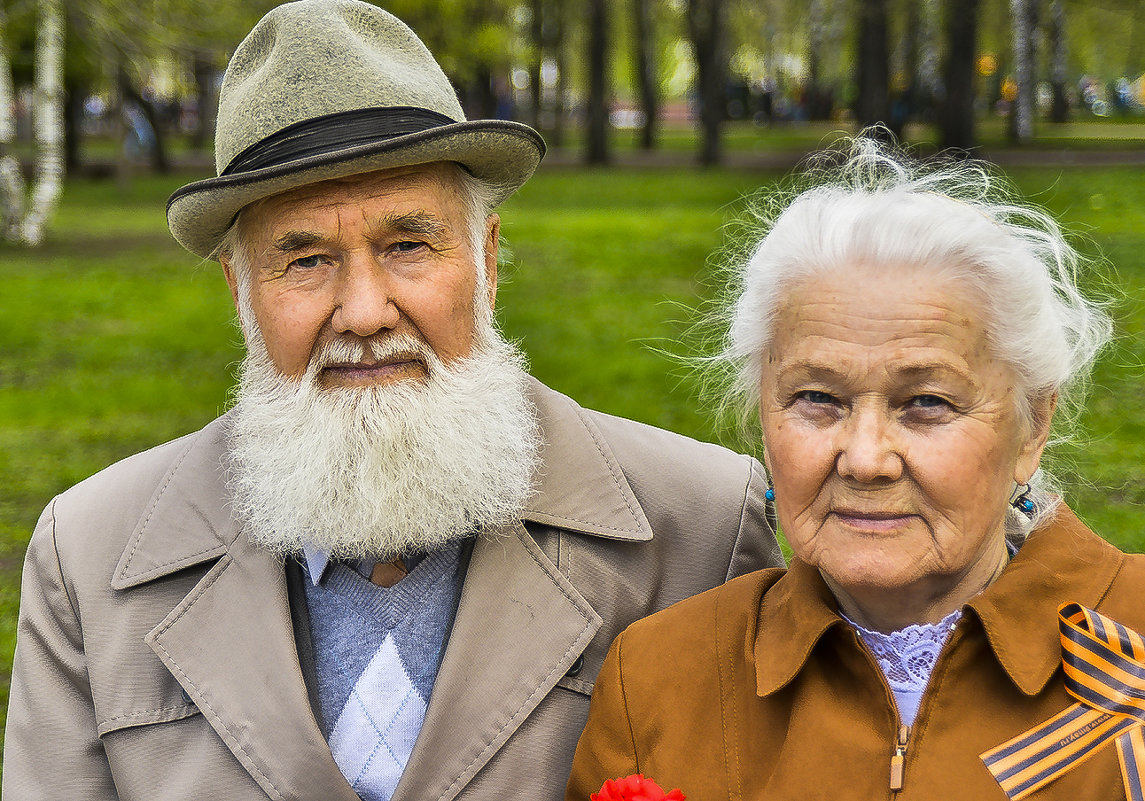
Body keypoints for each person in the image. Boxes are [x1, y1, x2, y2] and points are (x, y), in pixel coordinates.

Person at [1, 2, 783, 799]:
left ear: (485, 258)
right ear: (241, 292)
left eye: (407, 244)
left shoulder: (700, 529)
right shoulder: (89, 560)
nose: (365, 310)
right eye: (304, 259)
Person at [566, 138, 1145, 801]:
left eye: (926, 402)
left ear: (1031, 425)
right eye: (816, 398)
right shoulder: (657, 677)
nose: (865, 458)